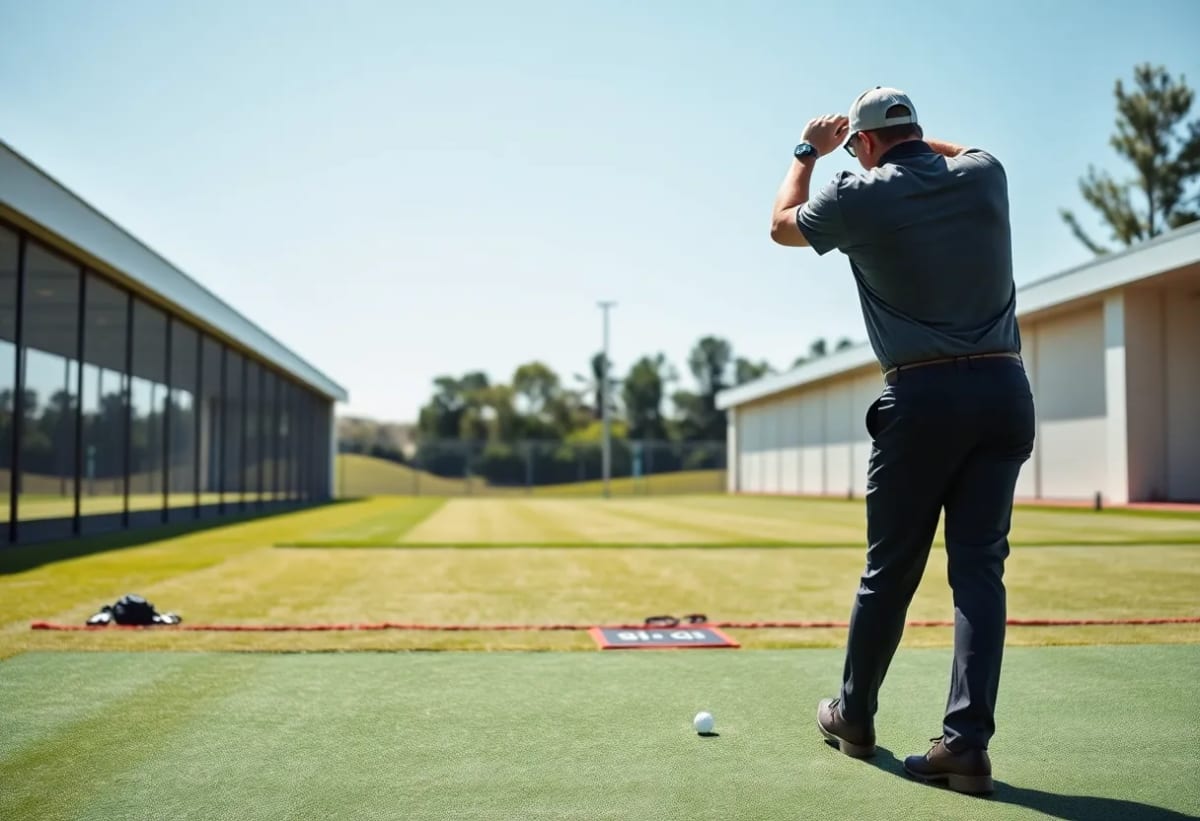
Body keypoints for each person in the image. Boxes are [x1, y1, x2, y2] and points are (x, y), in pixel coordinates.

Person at [768, 87, 1036, 795]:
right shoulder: (986, 172)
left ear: (863, 144)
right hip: (1006, 392)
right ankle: (965, 746)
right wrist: (906, 142)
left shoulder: (857, 193)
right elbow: (950, 152)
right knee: (979, 571)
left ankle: (853, 716)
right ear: (917, 130)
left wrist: (810, 152)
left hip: (922, 398)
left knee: (890, 569)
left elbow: (781, 225)